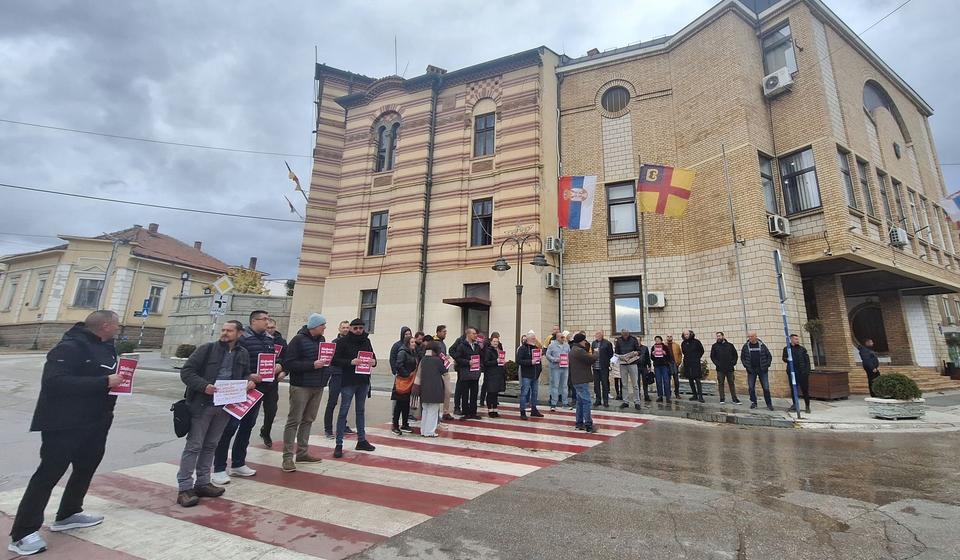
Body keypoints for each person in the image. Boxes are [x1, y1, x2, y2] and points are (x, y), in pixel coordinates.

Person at [8, 311, 124, 556]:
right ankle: (22, 533)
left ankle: (69, 513)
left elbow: (108, 380)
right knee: (49, 474)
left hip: (96, 422)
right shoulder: (70, 347)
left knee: (85, 468)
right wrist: (104, 382)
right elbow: (54, 382)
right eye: (116, 325)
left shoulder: (108, 348)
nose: (118, 328)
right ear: (105, 325)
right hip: (63, 423)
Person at [176, 320, 252, 504]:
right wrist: (204, 387)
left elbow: (245, 374)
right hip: (203, 405)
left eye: (230, 330)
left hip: (225, 407)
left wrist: (249, 381)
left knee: (211, 445)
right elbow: (186, 372)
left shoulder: (242, 353)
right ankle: (185, 487)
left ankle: (203, 482)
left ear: (239, 333)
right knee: (194, 446)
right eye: (223, 330)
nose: (225, 333)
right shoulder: (207, 349)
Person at [213, 310, 284, 485]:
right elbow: (233, 364)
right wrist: (248, 377)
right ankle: (219, 468)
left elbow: (269, 360)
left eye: (268, 318)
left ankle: (238, 463)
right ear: (253, 321)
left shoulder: (269, 339)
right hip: (239, 390)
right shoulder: (242, 339)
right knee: (229, 428)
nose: (267, 322)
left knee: (247, 427)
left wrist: (276, 367)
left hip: (258, 391)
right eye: (264, 319)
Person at [279, 313, 329, 472]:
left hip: (318, 385)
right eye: (323, 325)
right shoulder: (298, 340)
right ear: (315, 325)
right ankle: (287, 457)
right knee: (294, 420)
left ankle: (302, 452)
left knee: (308, 419)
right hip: (301, 385)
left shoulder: (322, 340)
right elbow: (289, 363)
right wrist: (312, 365)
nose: (325, 327)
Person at [330, 318, 377, 458]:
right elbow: (335, 360)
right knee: (343, 412)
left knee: (361, 411)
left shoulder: (366, 341)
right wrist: (351, 362)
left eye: (360, 328)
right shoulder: (342, 342)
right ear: (350, 328)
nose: (358, 330)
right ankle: (339, 444)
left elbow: (373, 356)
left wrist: (373, 362)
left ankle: (361, 440)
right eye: (355, 328)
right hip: (348, 381)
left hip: (363, 381)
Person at [322, 321, 354, 438]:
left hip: (348, 376)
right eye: (343, 327)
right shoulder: (334, 343)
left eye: (347, 327)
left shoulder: (352, 343)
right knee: (332, 402)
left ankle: (343, 425)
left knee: (346, 403)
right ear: (339, 329)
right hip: (336, 375)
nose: (346, 329)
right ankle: (328, 429)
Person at [259, 318, 287, 448]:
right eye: (268, 327)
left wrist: (283, 369)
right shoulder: (258, 340)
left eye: (272, 328)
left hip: (272, 382)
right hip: (258, 381)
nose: (270, 330)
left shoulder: (281, 342)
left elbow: (287, 358)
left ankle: (266, 431)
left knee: (271, 410)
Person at [415, 341, 446, 437]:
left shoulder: (423, 359)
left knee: (425, 410)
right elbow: (444, 371)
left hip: (424, 388)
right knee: (433, 410)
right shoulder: (437, 360)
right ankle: (430, 431)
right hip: (435, 388)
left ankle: (423, 430)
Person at [450, 327, 482, 419]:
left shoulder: (477, 346)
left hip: (475, 373)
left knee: (474, 393)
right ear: (468, 334)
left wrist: (480, 367)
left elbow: (481, 357)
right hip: (465, 373)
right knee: (465, 393)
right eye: (473, 333)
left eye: (476, 334)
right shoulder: (462, 346)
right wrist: (467, 362)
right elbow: (458, 358)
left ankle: (473, 412)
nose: (475, 335)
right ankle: (465, 412)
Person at [568, 333, 597, 432]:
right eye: (584, 340)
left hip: (577, 380)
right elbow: (591, 359)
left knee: (580, 402)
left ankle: (579, 423)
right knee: (586, 402)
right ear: (581, 341)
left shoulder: (573, 349)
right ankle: (588, 424)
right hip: (581, 380)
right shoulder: (579, 351)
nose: (585, 342)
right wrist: (596, 353)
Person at [391, 335, 418, 434]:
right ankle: (395, 425)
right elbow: (399, 365)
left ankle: (405, 424)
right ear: (407, 343)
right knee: (399, 404)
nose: (414, 344)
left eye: (414, 342)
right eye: (412, 342)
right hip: (402, 381)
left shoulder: (413, 352)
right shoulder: (402, 352)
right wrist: (407, 375)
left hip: (410, 381)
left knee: (406, 404)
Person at [741, 331, 773, 410]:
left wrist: (767, 365)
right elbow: (743, 357)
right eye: (749, 337)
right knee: (751, 387)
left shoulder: (762, 345)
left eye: (751, 336)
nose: (750, 338)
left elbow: (769, 356)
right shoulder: (746, 346)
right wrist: (747, 366)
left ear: (755, 336)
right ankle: (754, 402)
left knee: (766, 387)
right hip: (751, 370)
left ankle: (769, 404)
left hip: (762, 370)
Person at [516, 330, 545, 420]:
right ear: (528, 339)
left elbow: (538, 361)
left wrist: (539, 369)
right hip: (526, 375)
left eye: (534, 338)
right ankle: (522, 411)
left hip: (535, 374)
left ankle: (534, 410)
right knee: (524, 393)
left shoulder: (536, 348)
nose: (534, 339)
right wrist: (530, 362)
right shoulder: (522, 348)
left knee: (535, 393)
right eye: (532, 338)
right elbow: (519, 361)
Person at [783, 334, 812, 413]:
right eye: (795, 339)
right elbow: (784, 358)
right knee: (793, 389)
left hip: (802, 372)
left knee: (805, 389)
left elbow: (807, 361)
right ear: (791, 339)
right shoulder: (787, 349)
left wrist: (807, 372)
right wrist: (788, 359)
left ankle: (807, 406)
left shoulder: (802, 349)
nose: (797, 340)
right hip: (792, 373)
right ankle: (795, 404)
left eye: (797, 339)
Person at [614, 329, 642, 409]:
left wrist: (636, 353)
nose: (625, 335)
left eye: (626, 334)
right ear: (622, 334)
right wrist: (619, 357)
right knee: (624, 384)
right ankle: (625, 401)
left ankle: (637, 401)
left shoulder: (633, 339)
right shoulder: (619, 340)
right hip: (623, 364)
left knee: (635, 384)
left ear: (629, 333)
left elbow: (639, 351)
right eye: (624, 334)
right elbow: (616, 352)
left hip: (632, 363)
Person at [710, 331, 740, 404]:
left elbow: (735, 355)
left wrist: (733, 363)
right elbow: (712, 357)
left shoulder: (730, 345)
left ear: (723, 336)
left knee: (731, 383)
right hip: (720, 369)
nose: (718, 337)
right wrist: (717, 364)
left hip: (730, 368)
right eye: (717, 336)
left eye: (719, 336)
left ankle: (734, 398)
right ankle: (722, 398)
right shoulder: (714, 346)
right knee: (721, 383)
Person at [481, 333, 507, 418]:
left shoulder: (499, 350)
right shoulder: (488, 351)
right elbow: (486, 362)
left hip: (498, 373)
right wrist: (496, 361)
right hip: (491, 374)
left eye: (497, 341)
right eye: (494, 341)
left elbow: (500, 360)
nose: (496, 343)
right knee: (491, 392)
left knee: (495, 393)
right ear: (491, 342)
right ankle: (490, 410)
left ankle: (495, 409)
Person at [546, 330, 571, 411]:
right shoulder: (552, 345)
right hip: (555, 368)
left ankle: (565, 403)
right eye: (561, 337)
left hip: (565, 367)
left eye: (563, 337)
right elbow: (547, 355)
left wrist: (568, 360)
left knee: (564, 385)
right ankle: (553, 403)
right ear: (557, 338)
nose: (563, 338)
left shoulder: (567, 345)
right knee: (555, 385)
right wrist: (555, 359)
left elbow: (569, 354)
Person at [435, 324, 455, 421]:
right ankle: (436, 413)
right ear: (438, 332)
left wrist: (447, 358)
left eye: (446, 332)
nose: (445, 333)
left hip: (445, 370)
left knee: (448, 392)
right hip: (438, 371)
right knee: (438, 393)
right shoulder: (435, 343)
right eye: (444, 332)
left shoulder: (443, 343)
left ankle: (446, 412)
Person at [681, 330, 705, 403]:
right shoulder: (683, 343)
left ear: (690, 334)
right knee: (690, 380)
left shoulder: (696, 342)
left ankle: (700, 396)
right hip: (688, 363)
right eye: (685, 334)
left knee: (697, 380)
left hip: (695, 363)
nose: (686, 336)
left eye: (687, 334)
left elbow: (702, 350)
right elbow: (684, 352)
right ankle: (694, 395)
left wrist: (697, 357)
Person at [591, 330, 614, 407]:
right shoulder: (594, 343)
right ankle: (598, 400)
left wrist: (606, 361)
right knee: (596, 384)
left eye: (599, 334)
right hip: (595, 367)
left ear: (602, 335)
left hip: (604, 367)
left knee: (605, 384)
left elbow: (611, 354)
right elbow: (592, 353)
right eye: (596, 334)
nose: (597, 336)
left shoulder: (607, 343)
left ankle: (605, 401)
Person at [650, 335, 674, 403]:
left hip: (664, 366)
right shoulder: (653, 347)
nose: (657, 341)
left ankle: (668, 397)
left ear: (661, 340)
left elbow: (669, 357)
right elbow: (652, 358)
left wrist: (665, 353)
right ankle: (660, 396)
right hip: (657, 366)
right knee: (658, 381)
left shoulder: (665, 347)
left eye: (658, 339)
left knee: (666, 381)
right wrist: (653, 354)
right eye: (656, 340)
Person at [666, 335, 683, 399]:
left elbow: (680, 354)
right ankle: (668, 393)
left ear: (672, 337)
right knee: (667, 380)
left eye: (670, 336)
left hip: (674, 364)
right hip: (667, 365)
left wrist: (678, 362)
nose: (669, 337)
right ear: (666, 338)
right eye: (668, 336)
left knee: (676, 380)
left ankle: (677, 393)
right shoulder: (664, 345)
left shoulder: (676, 345)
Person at [637, 336, 653, 404]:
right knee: (637, 382)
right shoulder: (633, 348)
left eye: (638, 340)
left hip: (643, 367)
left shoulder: (645, 348)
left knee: (645, 381)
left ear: (640, 340)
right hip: (636, 367)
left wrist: (649, 366)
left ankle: (646, 395)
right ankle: (638, 395)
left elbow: (647, 358)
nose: (637, 341)